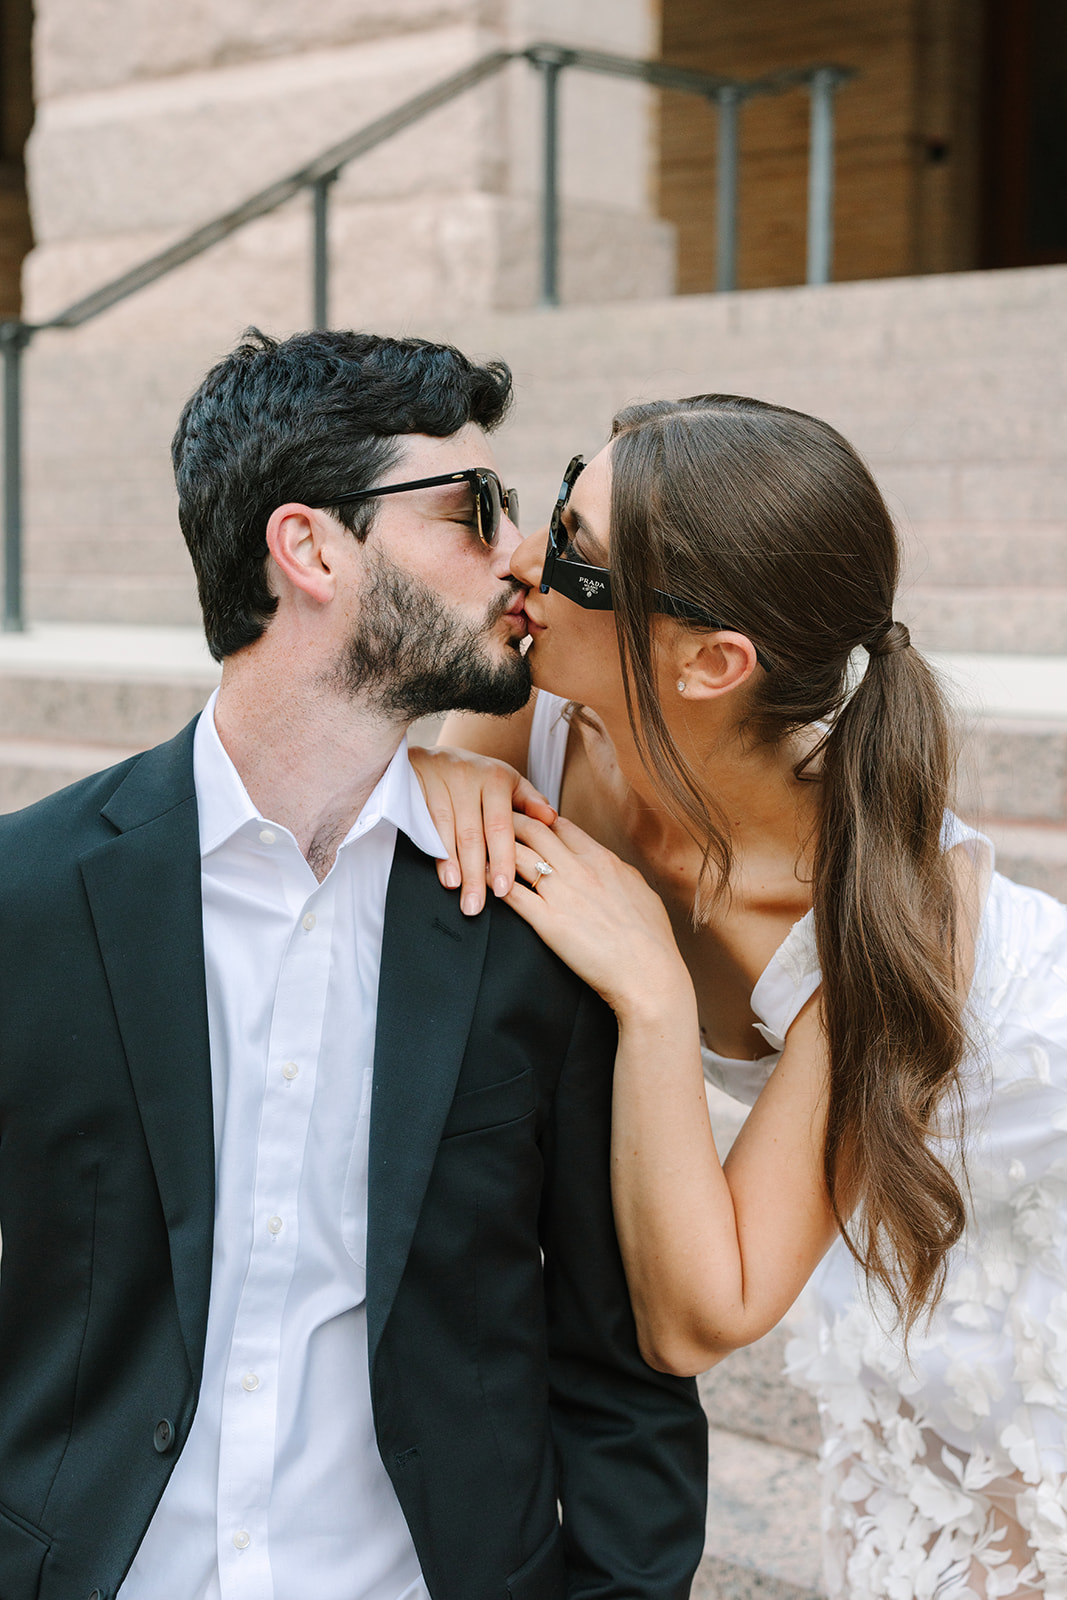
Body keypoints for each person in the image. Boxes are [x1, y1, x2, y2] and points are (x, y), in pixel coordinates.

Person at [0, 333, 709, 1600]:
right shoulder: (30, 899)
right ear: (312, 547)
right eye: (473, 509)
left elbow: (619, 1367)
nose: (519, 553)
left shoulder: (536, 914)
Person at [412, 395, 1067, 1600]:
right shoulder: (538, 709)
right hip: (911, 1202)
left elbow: (694, 1318)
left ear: (711, 663)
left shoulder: (888, 914)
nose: (514, 561)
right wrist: (437, 771)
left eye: (570, 552)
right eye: (551, 509)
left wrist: (654, 992)